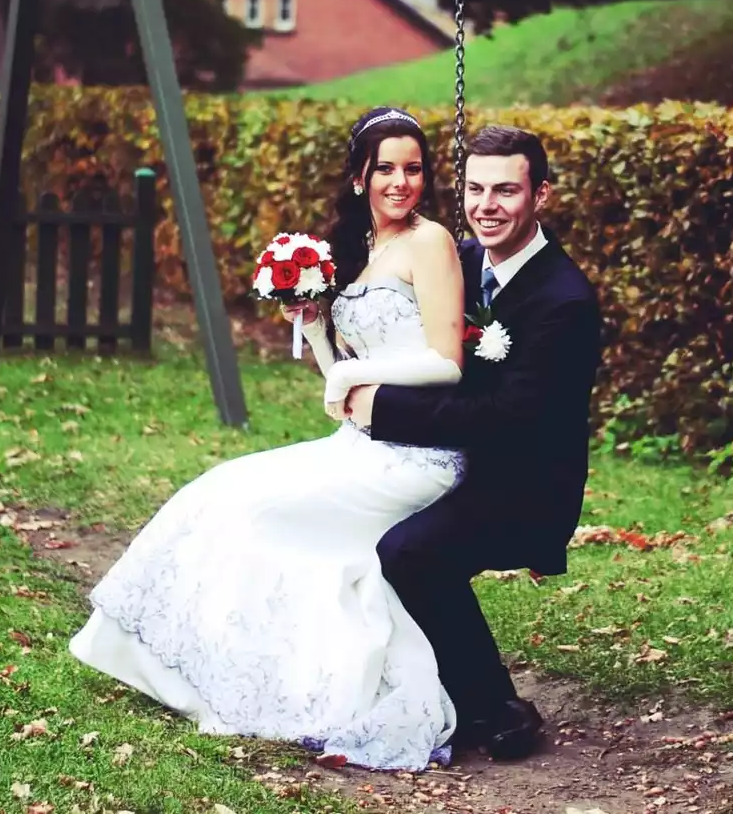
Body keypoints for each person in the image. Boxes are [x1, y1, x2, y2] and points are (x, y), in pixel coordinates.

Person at [68, 106, 471, 771]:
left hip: (416, 454)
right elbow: (339, 367)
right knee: (220, 489)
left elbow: (446, 361)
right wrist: (313, 325)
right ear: (359, 178)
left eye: (413, 169)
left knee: (261, 510)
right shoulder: (360, 248)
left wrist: (353, 375)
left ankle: (275, 685)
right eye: (385, 169)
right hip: (361, 442)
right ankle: (184, 665)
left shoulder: (430, 243)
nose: (401, 182)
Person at [341, 124, 603, 761]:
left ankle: (495, 708)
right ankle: (363, 683)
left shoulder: (564, 300)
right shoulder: (458, 258)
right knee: (342, 512)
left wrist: (384, 408)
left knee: (409, 551)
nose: (487, 205)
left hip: (520, 484)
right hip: (446, 460)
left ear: (541, 195)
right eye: (476, 189)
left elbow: (506, 416)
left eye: (506, 190)